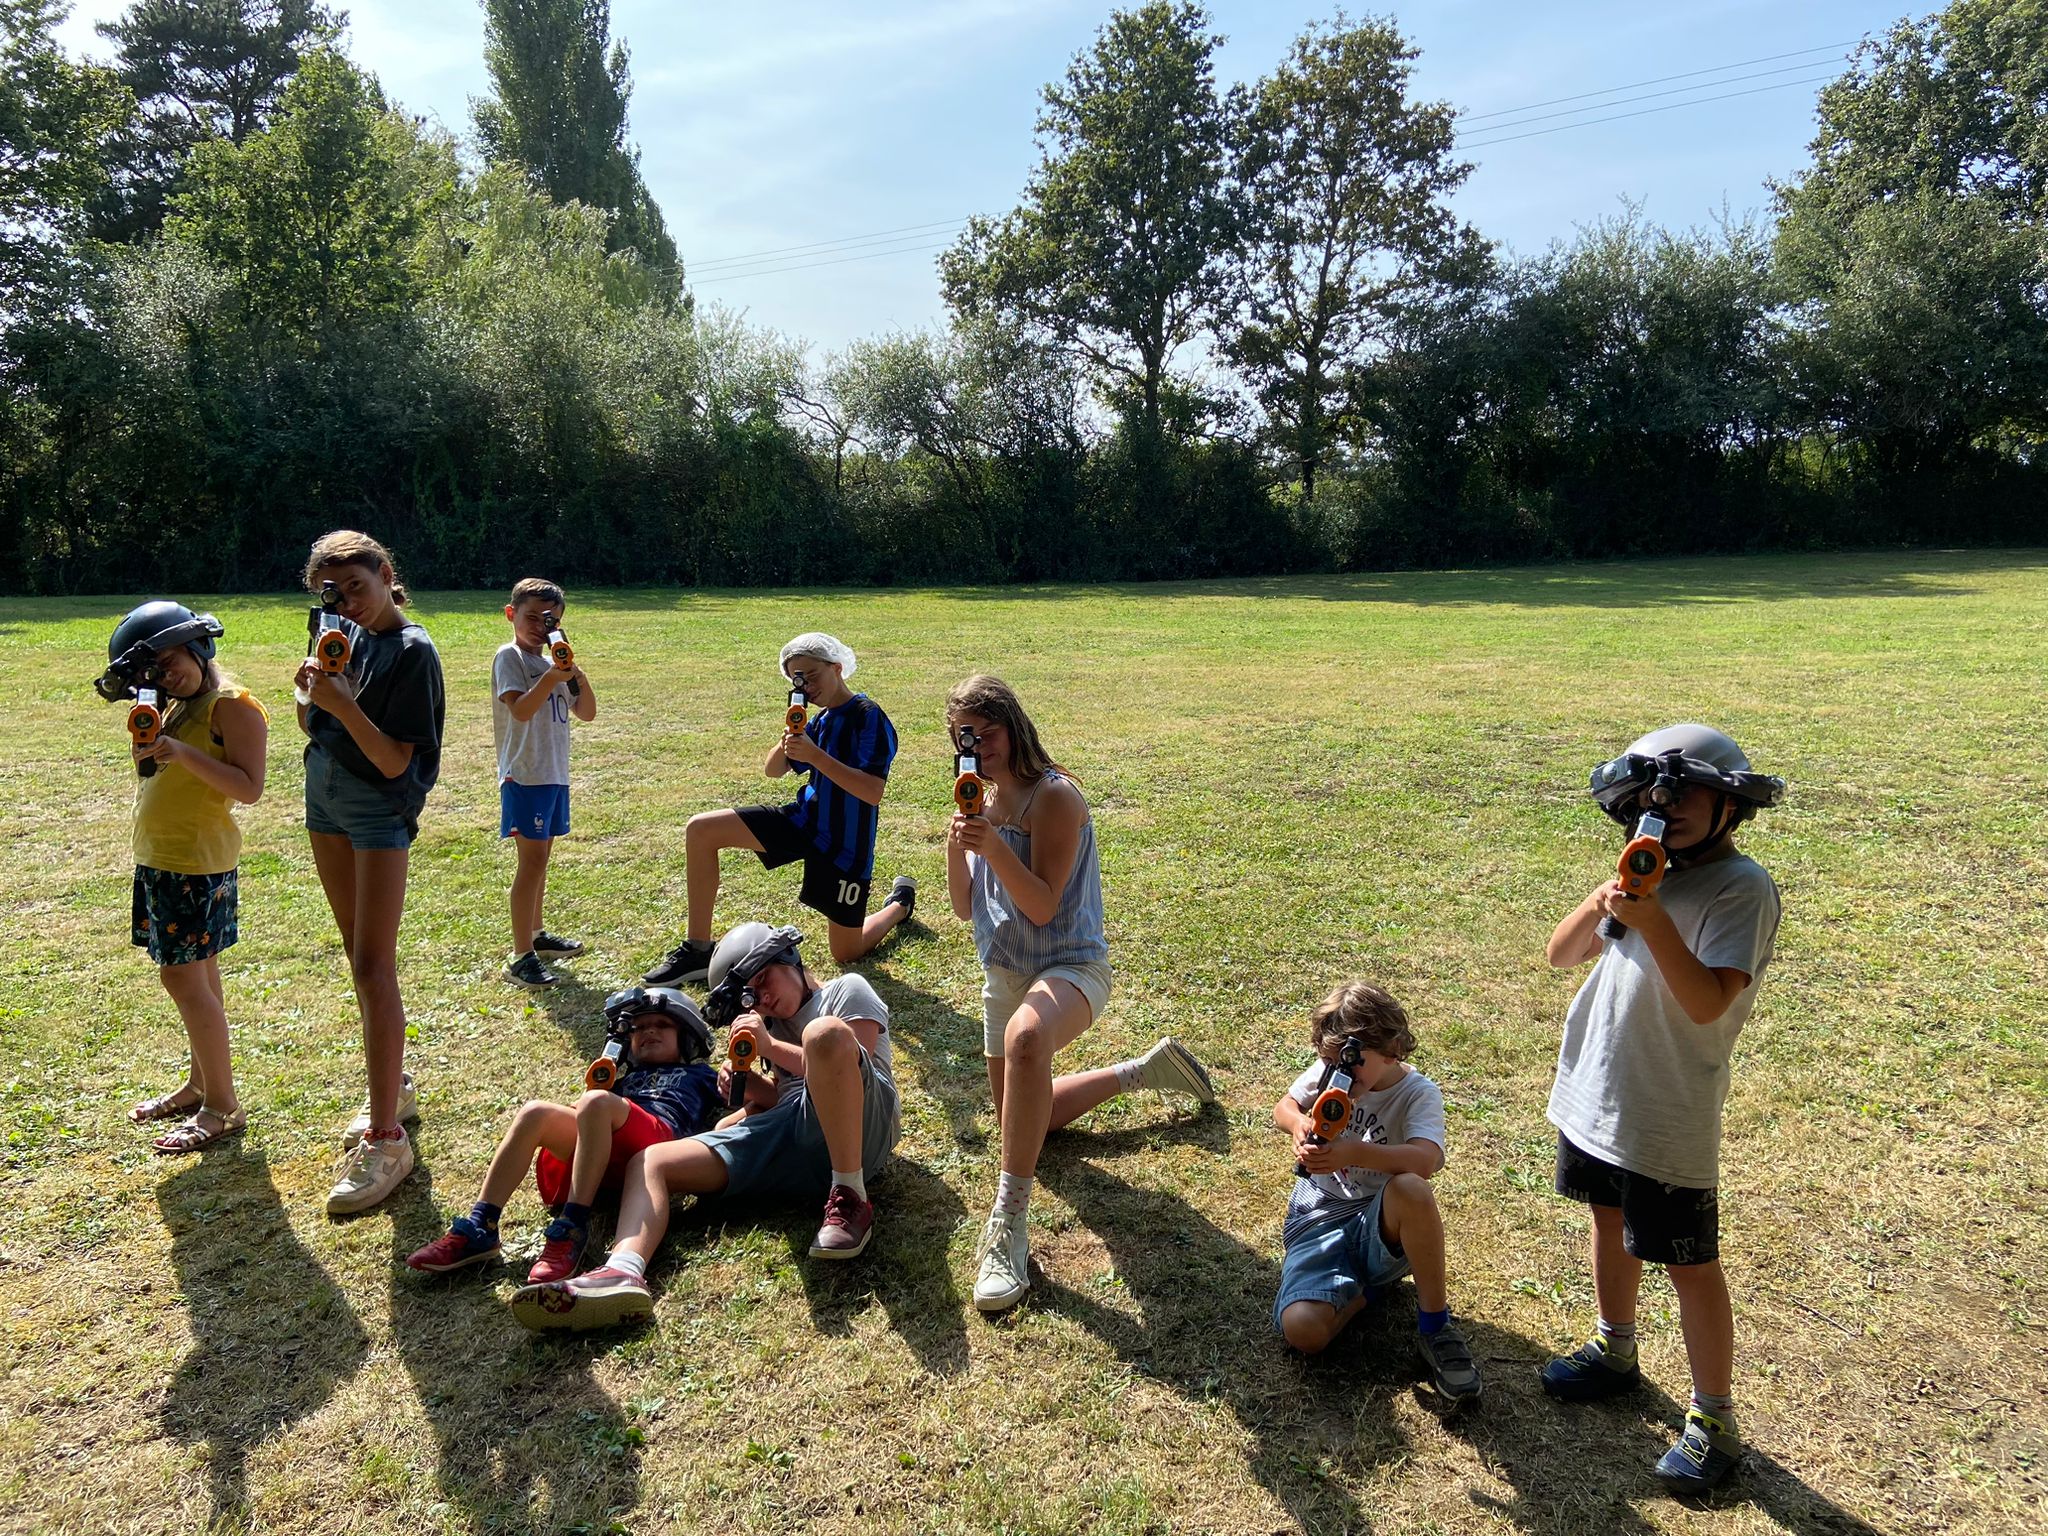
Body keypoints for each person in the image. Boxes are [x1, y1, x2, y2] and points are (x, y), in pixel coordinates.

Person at [1540, 723, 1785, 1492]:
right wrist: (1610, 896)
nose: (1666, 806)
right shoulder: (1644, 875)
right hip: (1599, 1091)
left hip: (1665, 1110)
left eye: (1688, 793)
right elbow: (1562, 954)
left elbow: (1710, 1001)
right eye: (1652, 793)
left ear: (1733, 806)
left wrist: (1652, 920)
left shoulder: (1741, 889)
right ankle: (1616, 1348)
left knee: (1689, 1264)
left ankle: (1715, 1418)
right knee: (1606, 1222)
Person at [944, 675, 1218, 1314]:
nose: (978, 747)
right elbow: (962, 907)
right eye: (965, 737)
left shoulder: (1055, 798)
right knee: (1022, 1117)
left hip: (1072, 964)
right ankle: (1141, 1072)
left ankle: (1008, 1225)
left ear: (1014, 728)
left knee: (1027, 1038)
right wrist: (958, 842)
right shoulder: (977, 800)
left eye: (988, 734)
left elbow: (1041, 907)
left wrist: (991, 844)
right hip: (1006, 971)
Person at [509, 922, 899, 1329]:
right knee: (652, 1160)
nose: (763, 998)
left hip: (863, 1130)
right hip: (799, 1139)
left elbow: (849, 1068)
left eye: (764, 980)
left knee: (823, 1034)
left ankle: (850, 1196)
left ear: (790, 958)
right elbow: (791, 1100)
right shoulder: (770, 1026)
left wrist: (768, 1047)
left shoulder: (846, 989)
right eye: (753, 994)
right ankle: (621, 1271)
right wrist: (748, 1085)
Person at [295, 530, 446, 1216]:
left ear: (387, 573)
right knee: (358, 955)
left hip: (376, 808)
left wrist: (338, 704)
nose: (347, 602)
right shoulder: (334, 628)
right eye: (332, 591)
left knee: (371, 967)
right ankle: (396, 1088)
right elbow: (313, 724)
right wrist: (309, 694)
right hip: (324, 793)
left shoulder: (412, 651)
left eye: (358, 585)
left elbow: (393, 763)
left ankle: (387, 1140)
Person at [643, 633, 912, 984]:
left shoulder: (868, 715)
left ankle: (899, 906)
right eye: (796, 679)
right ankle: (698, 949)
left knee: (846, 953)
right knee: (701, 830)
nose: (806, 685)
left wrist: (815, 755)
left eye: (812, 675)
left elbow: (872, 791)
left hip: (846, 845)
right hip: (804, 822)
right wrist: (791, 731)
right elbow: (773, 769)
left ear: (837, 668)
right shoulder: (821, 720)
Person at [405, 986, 718, 1282]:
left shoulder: (701, 1074)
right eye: (638, 1028)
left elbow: (749, 1100)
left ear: (688, 1037)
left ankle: (572, 1226)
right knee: (535, 1112)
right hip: (610, 1150)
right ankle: (481, 1224)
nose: (648, 1031)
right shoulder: (618, 1082)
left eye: (661, 1024)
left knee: (594, 1101)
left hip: (657, 1144)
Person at [100, 603, 268, 1154]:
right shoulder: (174, 710)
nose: (163, 677)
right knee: (201, 981)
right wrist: (156, 746)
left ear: (199, 650)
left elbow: (247, 788)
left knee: (185, 983)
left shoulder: (232, 707)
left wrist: (177, 751)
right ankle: (200, 1086)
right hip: (163, 860)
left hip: (193, 865)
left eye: (170, 662)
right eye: (151, 673)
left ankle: (223, 1106)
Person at [1273, 981, 1481, 1402]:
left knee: (1412, 1189)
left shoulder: (1417, 1094)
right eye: (1329, 1062)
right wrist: (1298, 1125)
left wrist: (1354, 1152)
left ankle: (1435, 1326)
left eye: (1350, 1063)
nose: (1339, 1075)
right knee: (1303, 1331)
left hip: (1380, 1220)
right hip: (1319, 1215)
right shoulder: (1331, 1075)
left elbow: (1426, 1160)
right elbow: (1284, 1107)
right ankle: (1365, 1292)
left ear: (1392, 1050)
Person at [493, 577, 597, 988]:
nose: (539, 625)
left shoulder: (554, 662)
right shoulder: (511, 657)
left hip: (553, 775)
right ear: (511, 614)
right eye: (530, 616)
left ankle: (536, 934)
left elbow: (586, 712)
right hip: (526, 775)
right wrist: (552, 679)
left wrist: (575, 676)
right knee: (531, 863)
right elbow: (519, 710)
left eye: (549, 619)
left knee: (542, 861)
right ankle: (520, 955)